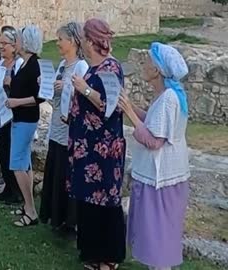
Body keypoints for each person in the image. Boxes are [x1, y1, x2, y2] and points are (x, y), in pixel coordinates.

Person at [118, 42, 191, 270]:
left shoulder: (169, 99)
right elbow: (152, 118)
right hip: (167, 177)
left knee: (157, 238)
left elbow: (153, 140)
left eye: (148, 60)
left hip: (160, 180)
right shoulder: (168, 96)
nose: (144, 63)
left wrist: (129, 112)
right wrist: (130, 105)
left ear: (157, 70)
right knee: (159, 236)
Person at [68, 18, 126, 270]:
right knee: (88, 201)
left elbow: (110, 107)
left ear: (92, 41)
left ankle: (109, 258)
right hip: (85, 147)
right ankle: (92, 253)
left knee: (105, 202)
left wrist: (84, 90)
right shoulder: (93, 67)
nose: (81, 41)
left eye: (84, 38)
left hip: (104, 149)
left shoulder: (111, 68)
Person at [39, 22, 89, 233]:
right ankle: (56, 217)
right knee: (56, 173)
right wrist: (47, 84)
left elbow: (84, 97)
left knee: (66, 174)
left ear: (73, 41)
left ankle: (70, 222)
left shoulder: (80, 67)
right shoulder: (61, 66)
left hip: (70, 132)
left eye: (60, 39)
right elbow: (55, 98)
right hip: (57, 127)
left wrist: (66, 86)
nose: (57, 43)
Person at [5, 25, 44, 227]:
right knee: (25, 163)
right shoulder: (25, 64)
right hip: (20, 118)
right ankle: (28, 205)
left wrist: (16, 102)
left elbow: (39, 97)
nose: (16, 42)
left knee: (17, 163)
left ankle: (30, 210)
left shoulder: (34, 66)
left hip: (26, 119)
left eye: (18, 39)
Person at [0, 25, 23, 204]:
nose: (1, 46)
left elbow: (23, 86)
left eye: (5, 43)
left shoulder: (18, 64)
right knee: (2, 151)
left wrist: (10, 82)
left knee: (12, 152)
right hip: (1, 113)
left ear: (13, 45)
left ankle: (16, 190)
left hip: (14, 113)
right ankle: (8, 187)